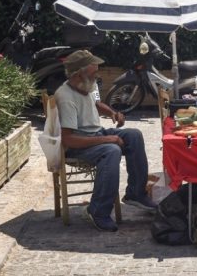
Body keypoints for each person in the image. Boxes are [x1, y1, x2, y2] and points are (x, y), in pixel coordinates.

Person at [55, 50, 156, 232]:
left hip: (95, 133)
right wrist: (108, 138)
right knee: (111, 150)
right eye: (94, 73)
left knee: (134, 135)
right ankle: (98, 211)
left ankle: (135, 193)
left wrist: (112, 112)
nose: (97, 76)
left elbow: (95, 103)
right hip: (78, 144)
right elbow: (68, 139)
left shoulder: (88, 84)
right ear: (79, 74)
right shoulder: (65, 97)